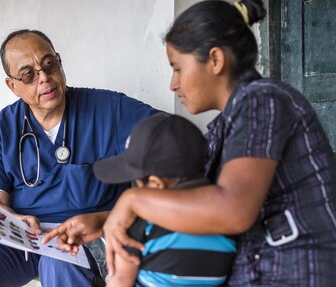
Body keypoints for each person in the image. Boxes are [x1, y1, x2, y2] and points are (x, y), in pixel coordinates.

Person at [102, 0, 336, 286]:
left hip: (299, 270)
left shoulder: (263, 100)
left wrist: (131, 201)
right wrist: (107, 221)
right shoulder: (220, 131)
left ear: (215, 60)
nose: (173, 84)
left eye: (177, 68)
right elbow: (194, 206)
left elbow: (233, 211)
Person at [0, 29, 159, 287]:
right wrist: (12, 219)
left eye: (49, 64)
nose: (44, 78)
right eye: (28, 74)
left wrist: (117, 213)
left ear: (59, 62)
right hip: (22, 237)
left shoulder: (110, 109)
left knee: (61, 265)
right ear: (13, 86)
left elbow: (171, 137)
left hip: (87, 232)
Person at [92, 113, 236, 287]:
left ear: (155, 184)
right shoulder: (227, 219)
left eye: (136, 183)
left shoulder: (140, 224)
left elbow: (120, 280)